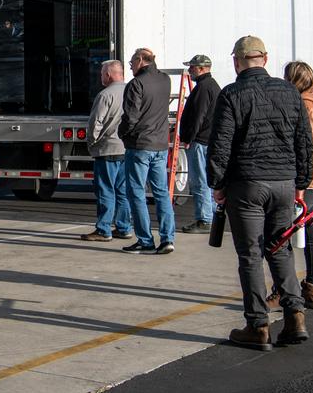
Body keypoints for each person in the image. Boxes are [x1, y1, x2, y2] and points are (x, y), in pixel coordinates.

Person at [207, 35, 313, 350]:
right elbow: (303, 141)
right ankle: (295, 315)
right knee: (280, 249)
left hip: (248, 184)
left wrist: (218, 184)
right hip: (283, 183)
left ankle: (258, 325)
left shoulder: (232, 94)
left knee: (250, 256)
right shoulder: (290, 92)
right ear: (265, 59)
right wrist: (301, 183)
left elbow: (221, 145)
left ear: (237, 62)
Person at [280, 60, 313, 310]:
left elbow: (305, 145)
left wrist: (299, 181)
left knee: (285, 234)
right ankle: (312, 288)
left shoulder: (307, 105)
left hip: (309, 180)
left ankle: (283, 290)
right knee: (312, 235)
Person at [119, 47, 177, 255]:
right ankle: (167, 238)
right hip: (160, 144)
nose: (131, 67)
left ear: (141, 60)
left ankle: (145, 239)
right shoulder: (165, 80)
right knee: (161, 192)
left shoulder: (137, 84)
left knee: (136, 192)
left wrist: (122, 134)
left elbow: (131, 116)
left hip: (141, 144)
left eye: (132, 63)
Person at [82, 60, 132, 241]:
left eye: (102, 74)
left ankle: (103, 229)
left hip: (107, 149)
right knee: (122, 191)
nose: (101, 77)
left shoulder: (105, 95)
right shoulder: (132, 91)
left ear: (109, 75)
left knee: (105, 191)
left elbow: (95, 123)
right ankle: (124, 227)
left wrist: (91, 144)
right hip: (125, 148)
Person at [179, 54, 221, 234]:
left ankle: (204, 219)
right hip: (209, 140)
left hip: (200, 141)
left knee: (199, 181)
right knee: (207, 180)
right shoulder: (212, 86)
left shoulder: (203, 88)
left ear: (202, 68)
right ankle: (210, 216)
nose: (190, 70)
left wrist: (188, 137)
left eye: (192, 67)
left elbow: (198, 116)